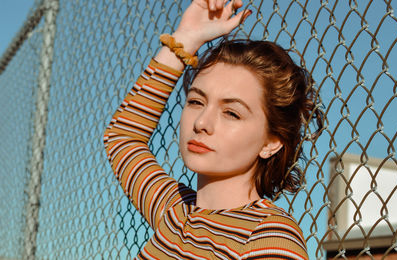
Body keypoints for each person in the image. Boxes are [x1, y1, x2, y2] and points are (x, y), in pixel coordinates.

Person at [104, 0, 322, 259]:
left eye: (231, 113)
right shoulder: (175, 212)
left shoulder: (269, 237)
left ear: (271, 142)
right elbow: (122, 137)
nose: (201, 123)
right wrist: (185, 39)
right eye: (196, 101)